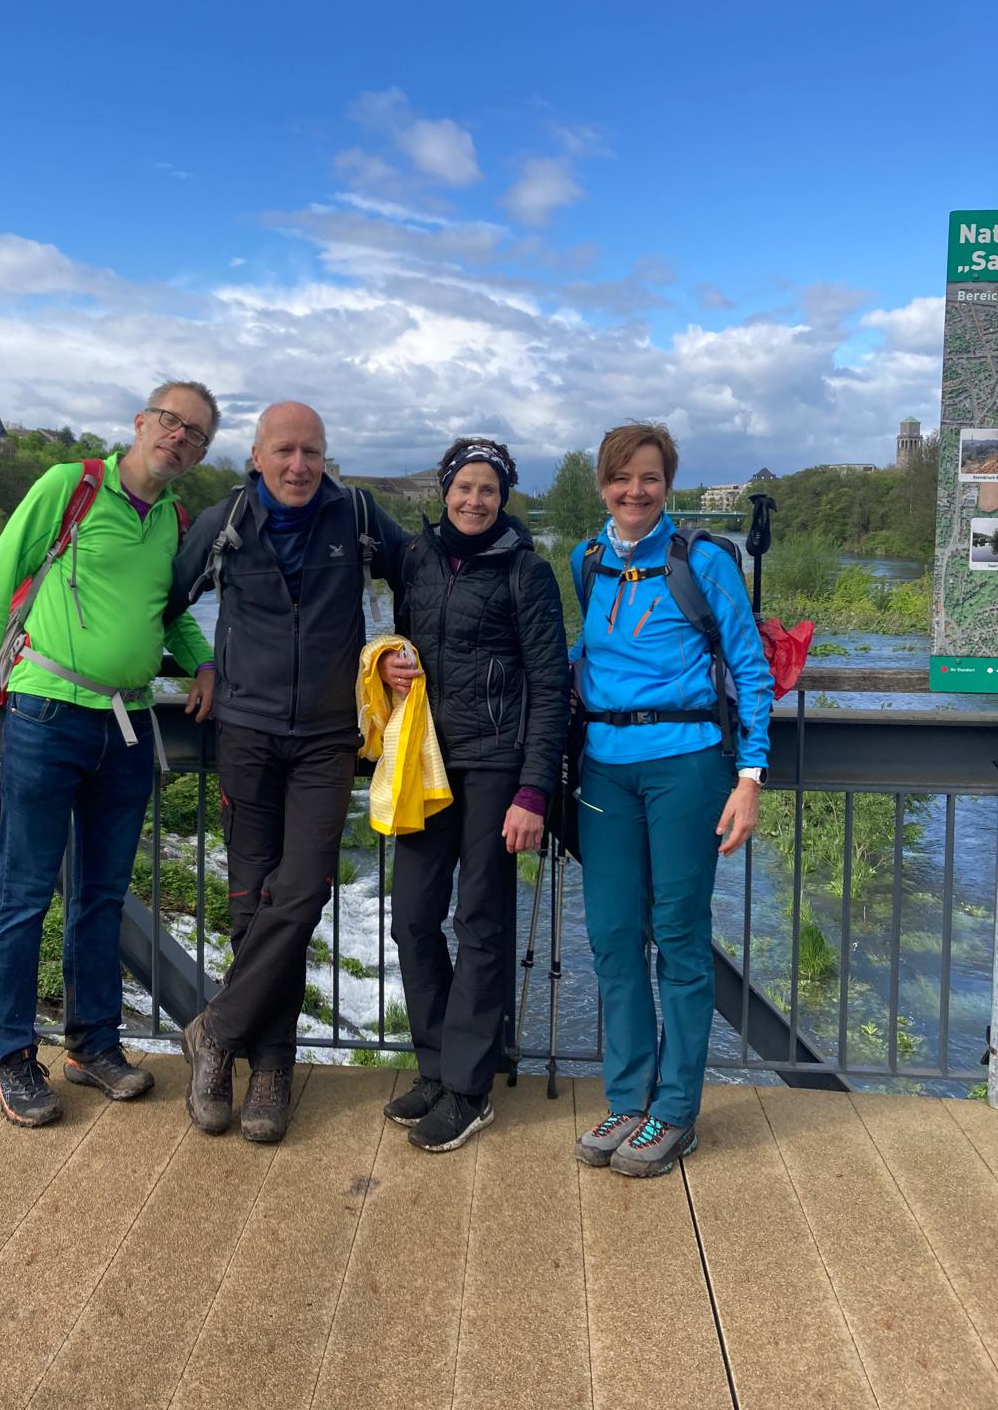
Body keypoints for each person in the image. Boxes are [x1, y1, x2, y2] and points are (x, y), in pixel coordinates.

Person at [0, 381, 220, 1126]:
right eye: (171, 421)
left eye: (196, 434)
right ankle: (7, 1056)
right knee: (25, 892)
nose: (180, 438)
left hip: (126, 725)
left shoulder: (173, 521)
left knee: (101, 894)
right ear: (141, 422)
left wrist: (203, 662)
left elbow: (167, 613)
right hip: (46, 714)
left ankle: (92, 1043)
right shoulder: (72, 486)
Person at [171, 401, 409, 1144]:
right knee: (251, 902)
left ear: (325, 456)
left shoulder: (358, 516)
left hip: (329, 739)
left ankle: (216, 1032)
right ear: (257, 456)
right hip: (245, 733)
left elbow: (423, 577)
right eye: (284, 451)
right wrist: (199, 661)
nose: (299, 465)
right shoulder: (226, 521)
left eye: (311, 451)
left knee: (301, 894)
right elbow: (163, 599)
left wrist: (401, 652)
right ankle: (268, 1067)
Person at [571, 422, 770, 1178]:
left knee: (679, 935)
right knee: (614, 935)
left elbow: (749, 668)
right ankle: (628, 1099)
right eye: (621, 477)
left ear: (667, 484)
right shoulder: (587, 560)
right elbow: (590, 654)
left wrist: (750, 778)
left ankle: (677, 1111)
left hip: (687, 766)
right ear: (602, 484)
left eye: (649, 477)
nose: (635, 491)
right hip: (603, 769)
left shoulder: (703, 560)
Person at [379, 438, 569, 1152]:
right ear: (445, 490)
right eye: (464, 487)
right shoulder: (417, 559)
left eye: (488, 489)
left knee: (481, 922)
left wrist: (534, 790)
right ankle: (435, 1066)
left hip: (495, 765)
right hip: (426, 760)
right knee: (411, 919)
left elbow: (549, 685)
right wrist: (389, 663)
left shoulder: (527, 571)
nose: (474, 500)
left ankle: (468, 1087)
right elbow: (404, 642)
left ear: (503, 497)